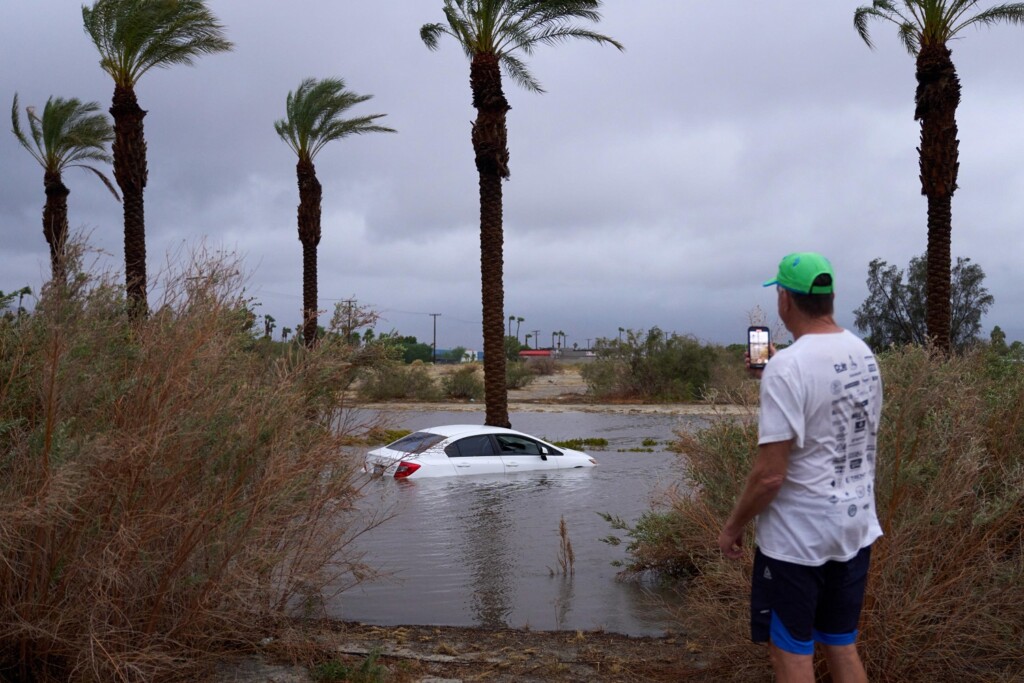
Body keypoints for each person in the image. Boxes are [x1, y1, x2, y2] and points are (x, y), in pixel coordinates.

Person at [718, 252, 883, 683]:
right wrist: (774, 372)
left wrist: (733, 526)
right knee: (841, 642)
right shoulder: (863, 354)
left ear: (785, 301)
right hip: (854, 528)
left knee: (790, 653)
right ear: (829, 298)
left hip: (798, 542)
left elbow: (770, 475)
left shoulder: (788, 367)